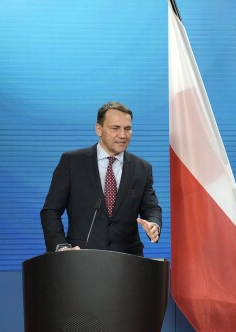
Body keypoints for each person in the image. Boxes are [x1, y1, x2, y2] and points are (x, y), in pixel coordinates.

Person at [40, 101, 162, 256]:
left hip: (129, 263)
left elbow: (151, 208)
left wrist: (153, 224)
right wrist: (61, 247)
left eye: (128, 129)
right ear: (99, 129)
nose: (123, 135)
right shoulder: (72, 162)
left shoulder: (142, 168)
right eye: (115, 128)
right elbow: (51, 211)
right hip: (81, 260)